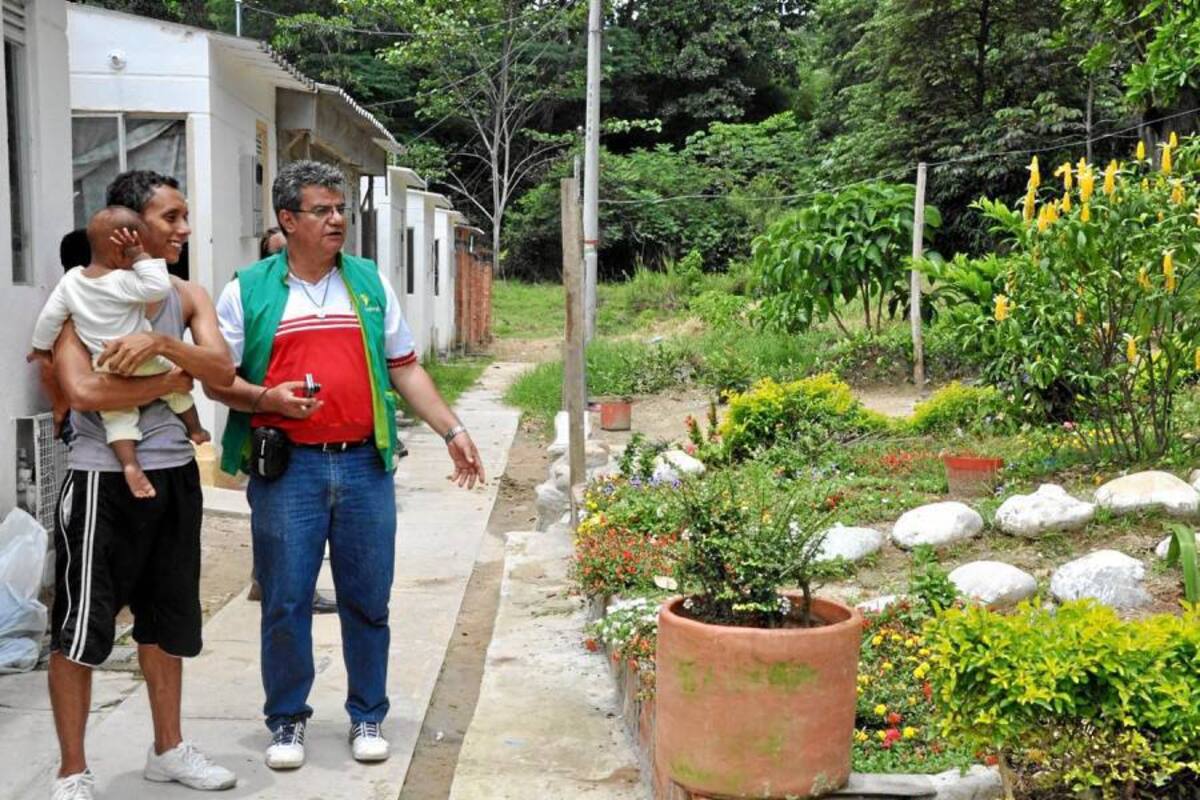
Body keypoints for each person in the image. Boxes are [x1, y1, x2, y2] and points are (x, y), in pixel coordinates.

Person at [208, 160, 485, 771]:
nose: (337, 220)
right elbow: (217, 380)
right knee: (286, 601)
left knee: (368, 598)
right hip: (288, 472)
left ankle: (367, 715)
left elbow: (404, 366)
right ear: (288, 219)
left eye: (340, 209)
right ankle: (286, 720)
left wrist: (453, 429)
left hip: (363, 465)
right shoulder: (246, 291)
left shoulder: (367, 282)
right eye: (322, 210)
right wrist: (267, 399)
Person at [42, 170, 238, 800]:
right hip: (101, 481)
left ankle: (169, 750)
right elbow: (83, 390)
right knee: (79, 628)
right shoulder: (83, 292)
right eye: (170, 218)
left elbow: (221, 369)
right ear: (129, 228)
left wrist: (160, 344)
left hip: (175, 475)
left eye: (185, 217)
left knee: (166, 621)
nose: (184, 229)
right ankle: (72, 771)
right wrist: (170, 381)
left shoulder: (185, 295)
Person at [31, 208, 208, 499]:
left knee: (117, 418)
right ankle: (196, 429)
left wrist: (40, 348)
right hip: (139, 356)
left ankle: (129, 464)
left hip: (104, 364)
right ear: (121, 251)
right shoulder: (121, 281)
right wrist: (141, 257)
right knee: (177, 386)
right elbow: (158, 287)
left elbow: (49, 318)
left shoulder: (71, 282)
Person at [244, 224, 338, 614]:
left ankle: (267, 580)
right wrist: (267, 398)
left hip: (327, 438)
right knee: (281, 522)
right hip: (273, 437)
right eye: (275, 251)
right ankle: (271, 582)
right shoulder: (254, 297)